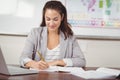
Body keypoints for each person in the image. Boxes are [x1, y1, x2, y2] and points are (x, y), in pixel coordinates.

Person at [19, 1, 86, 70]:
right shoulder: (35, 33)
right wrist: (34, 64)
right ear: (44, 17)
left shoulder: (69, 36)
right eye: (48, 19)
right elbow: (23, 58)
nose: (51, 23)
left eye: (55, 19)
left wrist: (57, 62)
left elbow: (81, 61)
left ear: (62, 17)